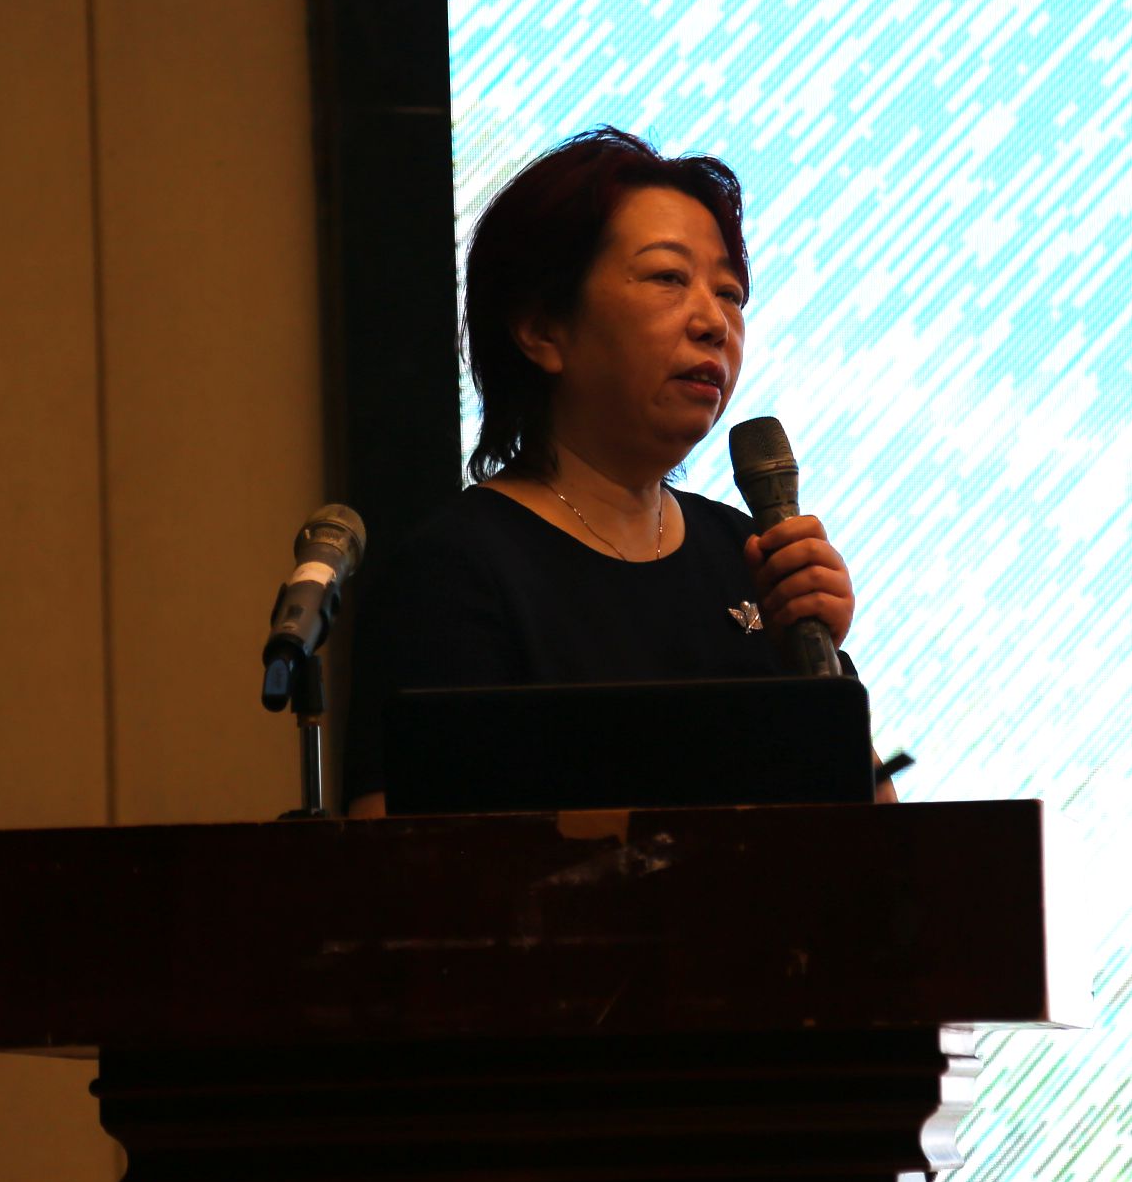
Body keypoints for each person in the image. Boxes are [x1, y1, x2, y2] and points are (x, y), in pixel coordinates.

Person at [341, 126, 887, 815]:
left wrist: (820, 671)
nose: (715, 322)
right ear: (542, 328)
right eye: (668, 278)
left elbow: (884, 842)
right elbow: (396, 850)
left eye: (730, 292)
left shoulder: (751, 558)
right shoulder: (455, 573)